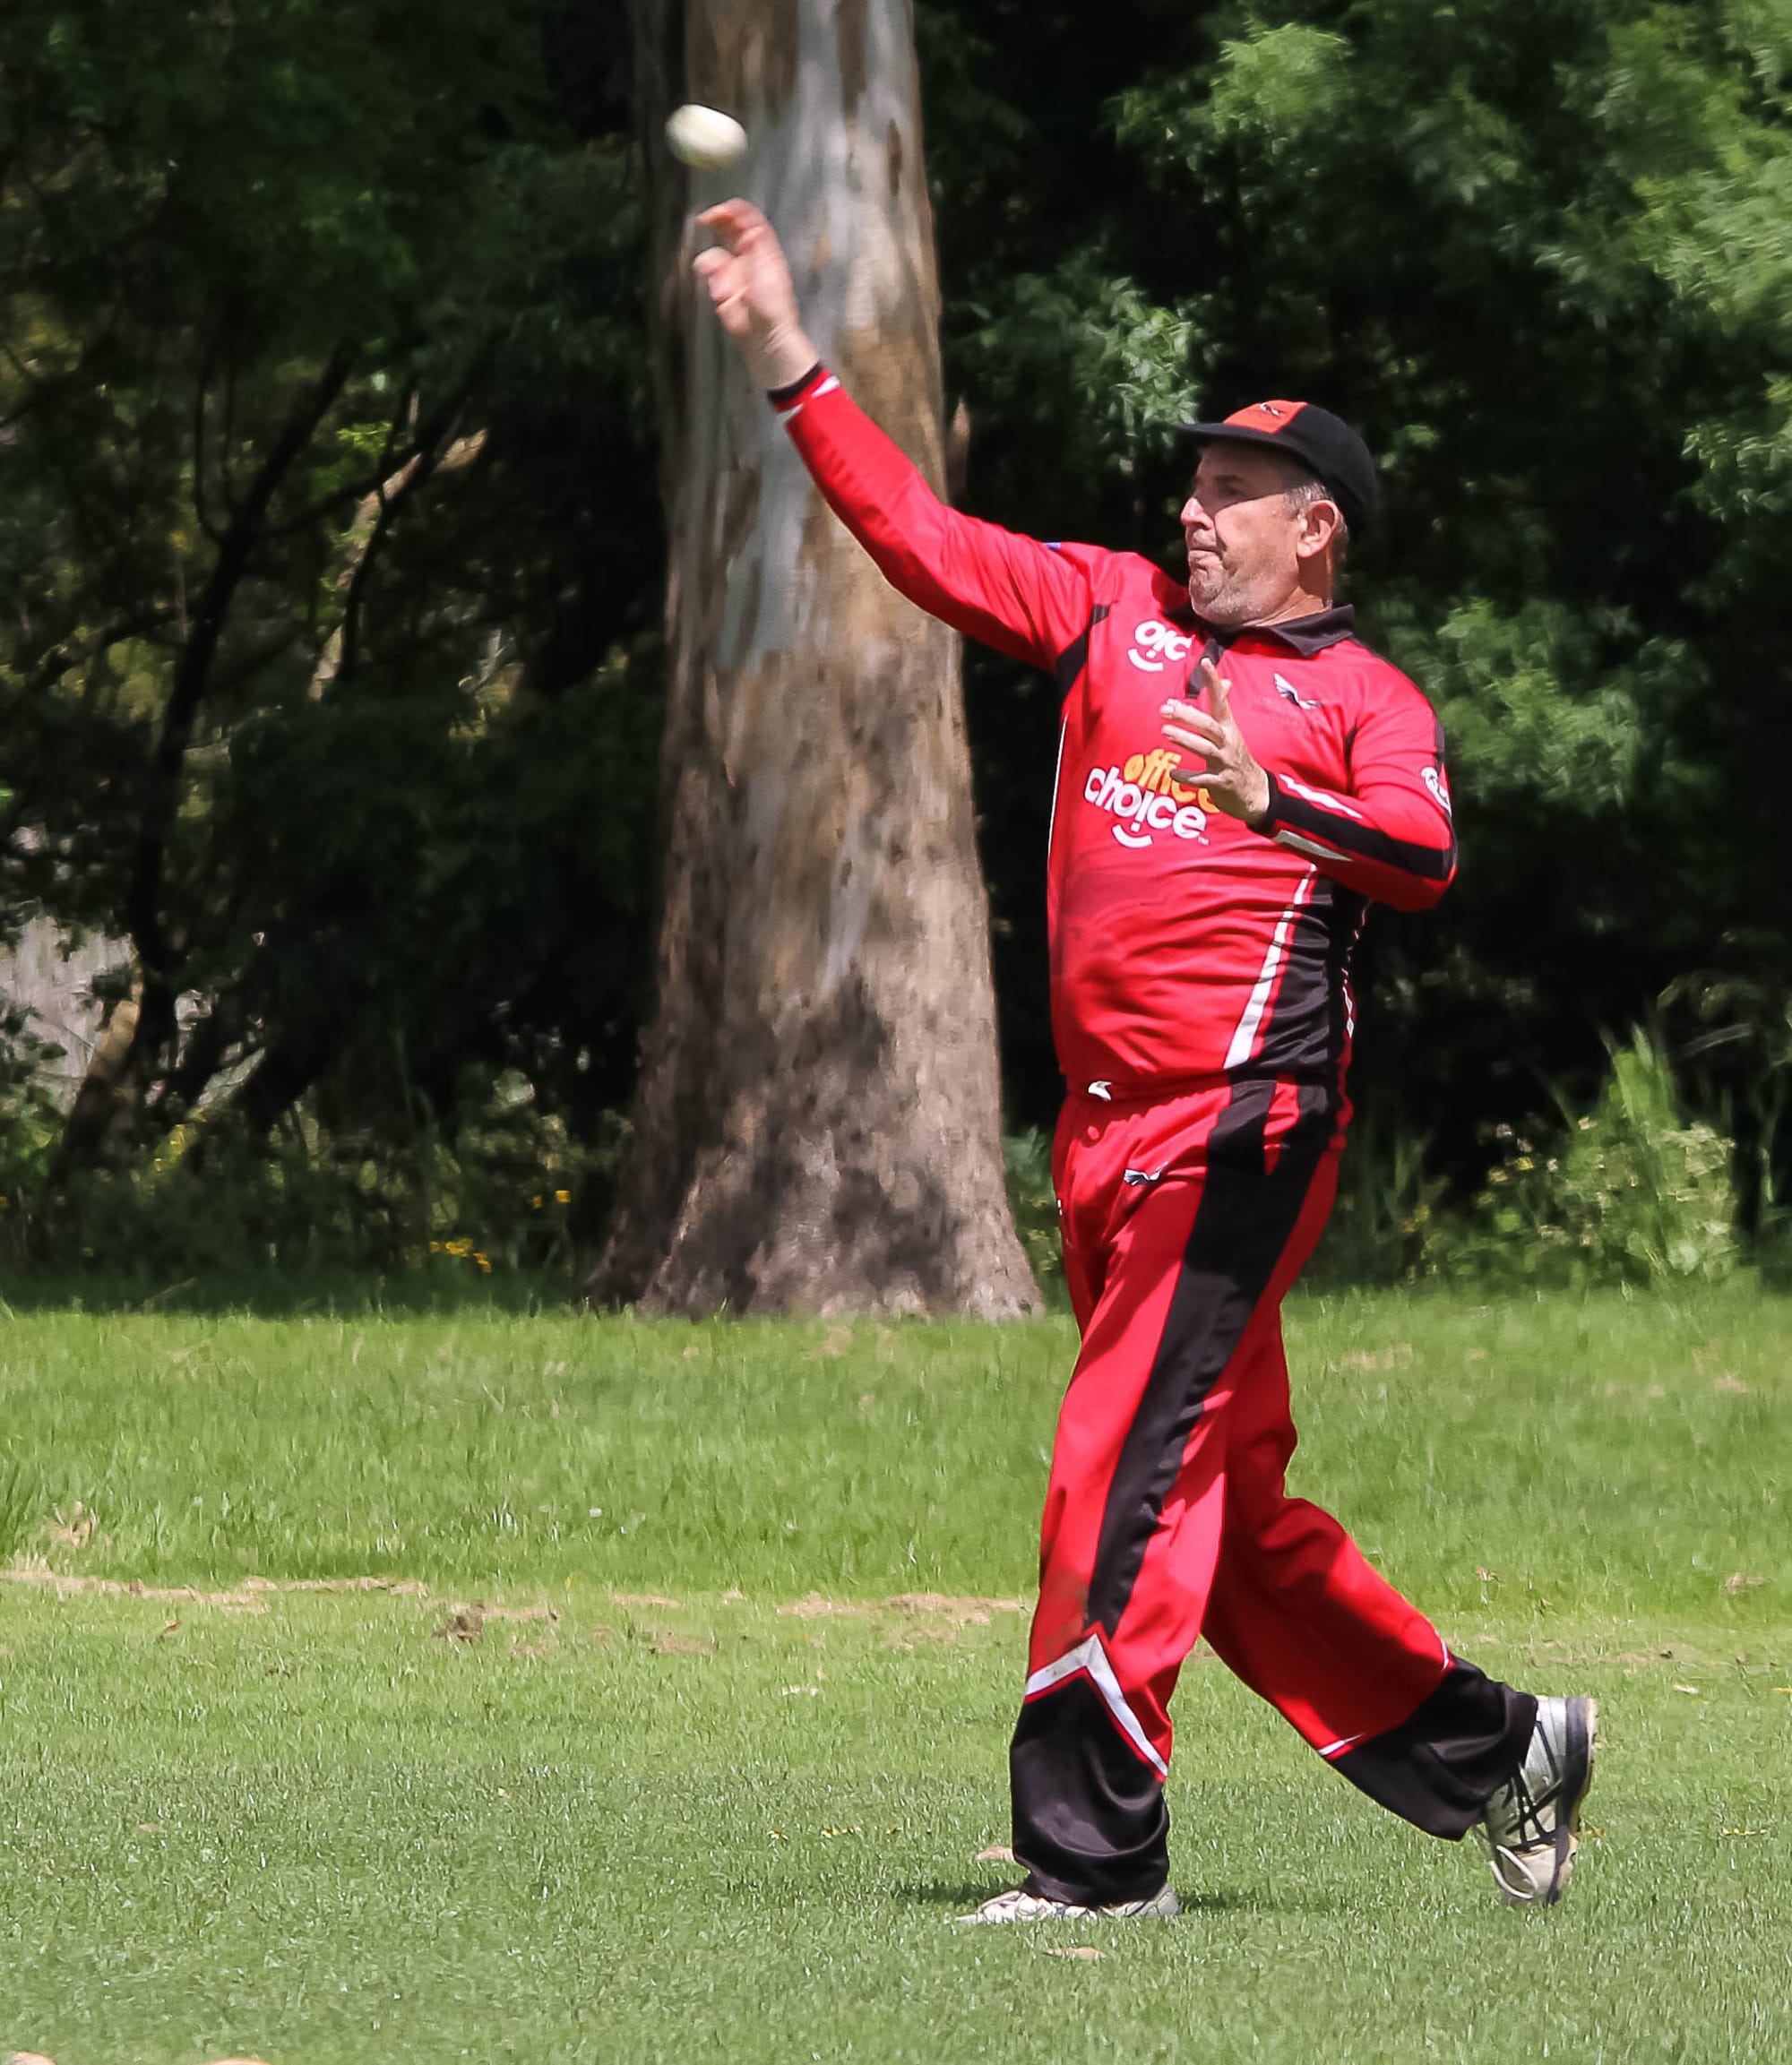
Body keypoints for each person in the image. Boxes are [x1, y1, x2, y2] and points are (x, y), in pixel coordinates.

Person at [690, 198, 1597, 1919]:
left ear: (1313, 532)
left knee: (1113, 1468)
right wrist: (783, 353)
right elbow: (920, 536)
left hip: (1245, 1135)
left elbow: (1424, 857)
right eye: (1191, 490)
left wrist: (1277, 801)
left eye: (1229, 497)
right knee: (1235, 1535)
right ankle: (1509, 1749)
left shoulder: (1366, 700)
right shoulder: (1115, 617)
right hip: (1102, 1142)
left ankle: (1094, 1865)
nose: (1191, 511)